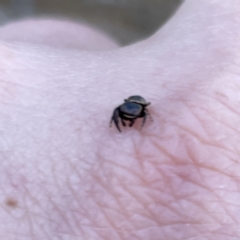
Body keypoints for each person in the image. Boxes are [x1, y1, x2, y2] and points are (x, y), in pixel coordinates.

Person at [0, 0, 239, 239]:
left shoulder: (143, 106)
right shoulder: (123, 108)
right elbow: (121, 111)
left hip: (135, 102)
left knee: (50, 33)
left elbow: (144, 110)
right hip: (128, 102)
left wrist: (142, 119)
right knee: (60, 34)